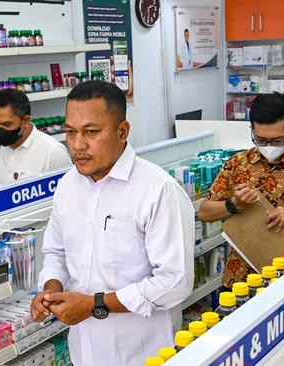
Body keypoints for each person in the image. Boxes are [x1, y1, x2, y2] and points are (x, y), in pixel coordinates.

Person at [32, 81, 194, 365]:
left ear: (122, 131)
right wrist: (51, 289)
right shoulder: (68, 186)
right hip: (84, 350)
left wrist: (95, 305)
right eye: (70, 132)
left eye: (91, 132)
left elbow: (174, 281)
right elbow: (56, 252)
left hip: (143, 353)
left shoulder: (157, 190)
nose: (78, 145)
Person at [197, 93, 284, 288]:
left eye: (278, 140)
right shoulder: (237, 164)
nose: (269, 147)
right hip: (241, 280)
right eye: (261, 140)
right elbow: (204, 213)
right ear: (252, 130)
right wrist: (234, 204)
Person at [0, 89, 71, 185]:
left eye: (7, 124)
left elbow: (71, 193)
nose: (0, 130)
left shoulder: (53, 152)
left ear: (25, 121)